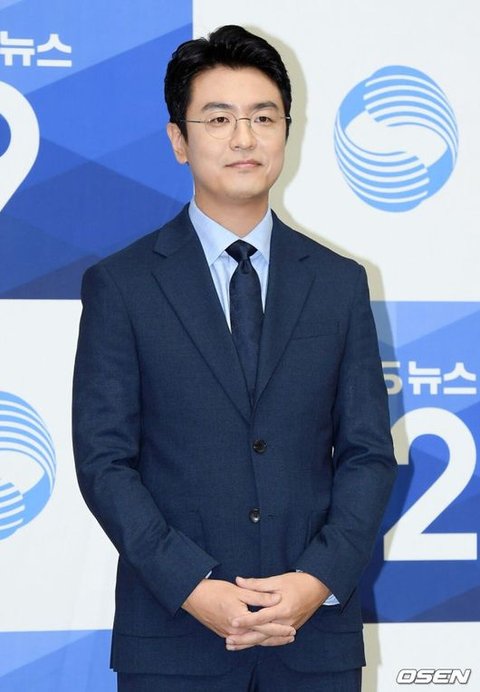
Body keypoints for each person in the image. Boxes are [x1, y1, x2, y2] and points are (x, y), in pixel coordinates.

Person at [72, 25, 396, 692]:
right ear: (179, 140)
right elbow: (105, 461)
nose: (244, 138)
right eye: (219, 119)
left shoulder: (339, 284)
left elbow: (367, 453)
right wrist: (191, 585)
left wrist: (317, 580)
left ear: (286, 132)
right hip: (173, 640)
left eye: (263, 118)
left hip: (314, 642)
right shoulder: (123, 285)